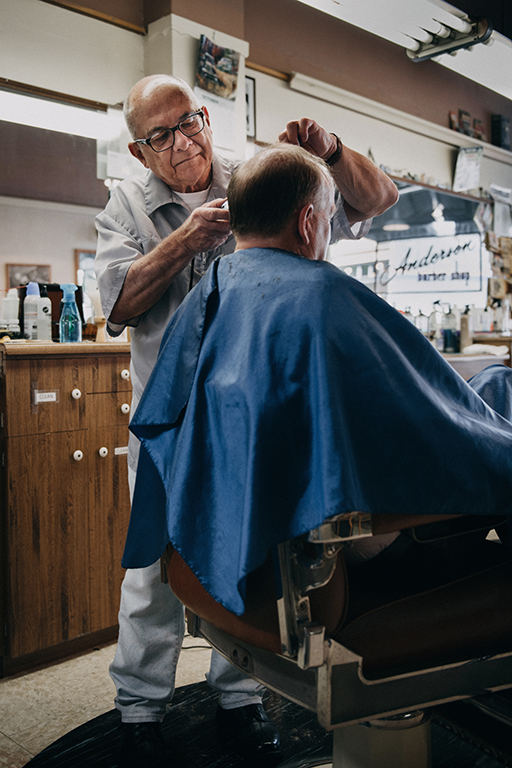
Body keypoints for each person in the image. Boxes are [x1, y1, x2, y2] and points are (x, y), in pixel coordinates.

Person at [94, 74, 398, 768]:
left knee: (251, 555)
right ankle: (138, 711)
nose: (184, 141)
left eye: (191, 120)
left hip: (252, 424)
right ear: (141, 153)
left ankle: (239, 699)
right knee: (153, 574)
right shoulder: (127, 207)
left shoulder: (256, 178)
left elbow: (377, 200)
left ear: (205, 116)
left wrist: (334, 151)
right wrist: (186, 241)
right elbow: (118, 305)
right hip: (174, 423)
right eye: (162, 135)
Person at [123, 143, 512, 621]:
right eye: (330, 218)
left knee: (493, 387)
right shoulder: (323, 293)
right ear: (308, 222)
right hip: (350, 535)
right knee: (497, 398)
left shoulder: (208, 296)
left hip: (256, 528)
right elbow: (426, 413)